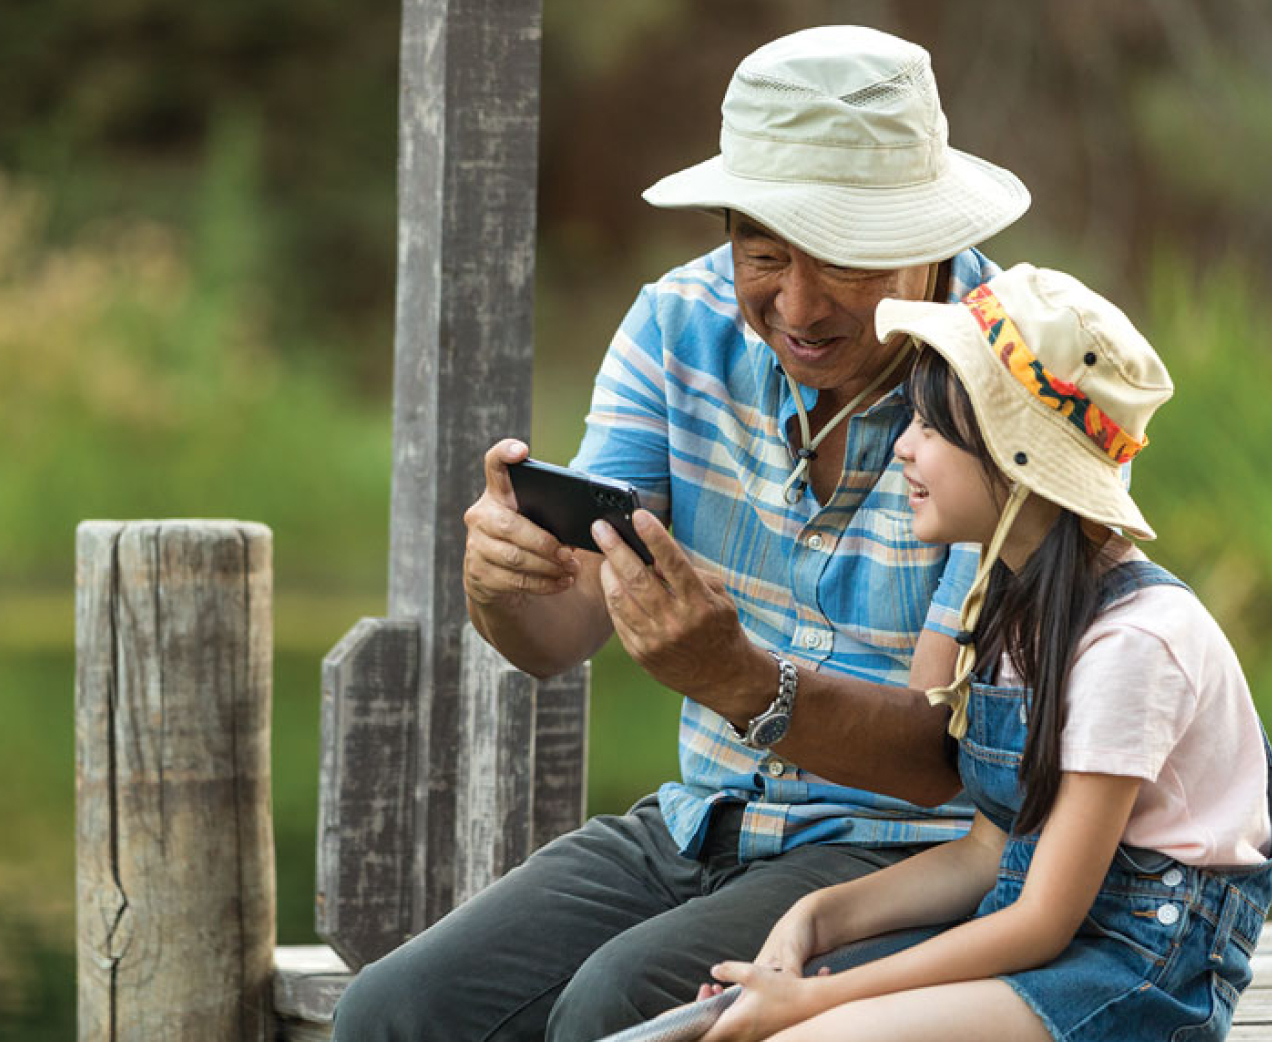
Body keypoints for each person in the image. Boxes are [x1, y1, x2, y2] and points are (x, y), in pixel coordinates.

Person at [332, 25, 1030, 1042]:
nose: (797, 303)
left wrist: (745, 680)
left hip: (911, 859)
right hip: (701, 818)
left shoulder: (1014, 373)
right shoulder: (677, 322)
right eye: (762, 252)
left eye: (839, 257)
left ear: (922, 231)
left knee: (617, 1007)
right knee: (389, 1012)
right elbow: (557, 636)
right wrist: (501, 581)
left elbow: (943, 761)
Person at [694, 264, 1272, 1042]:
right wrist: (812, 920)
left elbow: (1041, 921)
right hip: (1050, 937)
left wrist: (820, 1004)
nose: (904, 450)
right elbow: (987, 854)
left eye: (934, 428)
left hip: (1138, 972)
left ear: (1018, 456)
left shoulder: (1132, 644)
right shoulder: (1015, 610)